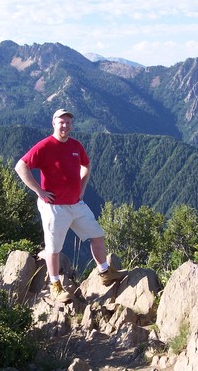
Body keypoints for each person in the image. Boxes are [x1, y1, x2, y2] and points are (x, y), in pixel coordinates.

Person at [14, 108, 126, 302]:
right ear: (53, 123)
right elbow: (20, 166)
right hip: (54, 207)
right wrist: (39, 191)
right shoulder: (45, 146)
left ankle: (105, 272)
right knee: (54, 248)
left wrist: (82, 188)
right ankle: (55, 285)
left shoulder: (75, 145)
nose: (65, 126)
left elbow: (87, 165)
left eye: (68, 122)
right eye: (61, 122)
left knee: (97, 235)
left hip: (76, 204)